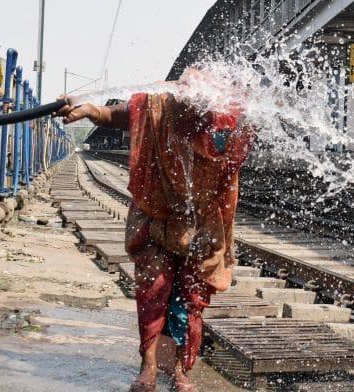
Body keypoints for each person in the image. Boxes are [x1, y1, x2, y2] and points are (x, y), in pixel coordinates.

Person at [57, 69, 257, 392]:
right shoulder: (156, 107)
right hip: (153, 214)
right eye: (184, 113)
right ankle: (148, 366)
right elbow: (110, 114)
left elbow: (246, 138)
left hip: (201, 222)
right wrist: (87, 108)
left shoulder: (225, 120)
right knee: (153, 291)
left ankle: (180, 370)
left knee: (190, 300)